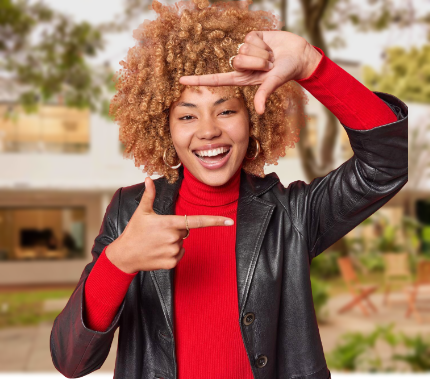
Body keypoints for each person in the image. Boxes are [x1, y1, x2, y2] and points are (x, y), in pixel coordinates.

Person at [50, 0, 408, 378]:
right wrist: (118, 262)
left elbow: (387, 165)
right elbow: (71, 361)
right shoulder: (132, 211)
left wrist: (311, 65)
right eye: (187, 115)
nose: (208, 131)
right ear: (163, 128)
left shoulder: (292, 216)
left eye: (226, 110)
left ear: (254, 118)